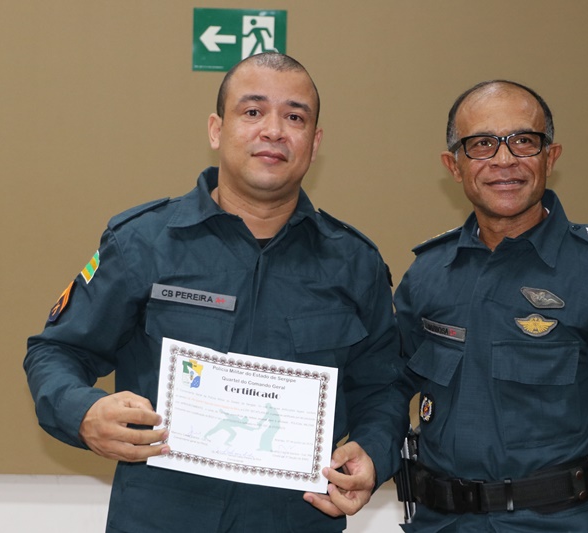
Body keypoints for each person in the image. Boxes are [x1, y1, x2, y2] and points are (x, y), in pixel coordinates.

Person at [24, 52, 409, 532]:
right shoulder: (142, 243)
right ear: (216, 130)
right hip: (159, 520)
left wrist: (372, 450)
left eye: (295, 117)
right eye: (253, 111)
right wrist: (83, 413)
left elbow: (382, 387)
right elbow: (56, 351)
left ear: (314, 143)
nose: (274, 131)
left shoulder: (354, 263)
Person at [392, 80, 588, 532]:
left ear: (551, 157)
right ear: (454, 165)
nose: (504, 160)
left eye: (524, 141)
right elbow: (388, 385)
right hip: (437, 522)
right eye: (481, 144)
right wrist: (366, 452)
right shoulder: (429, 273)